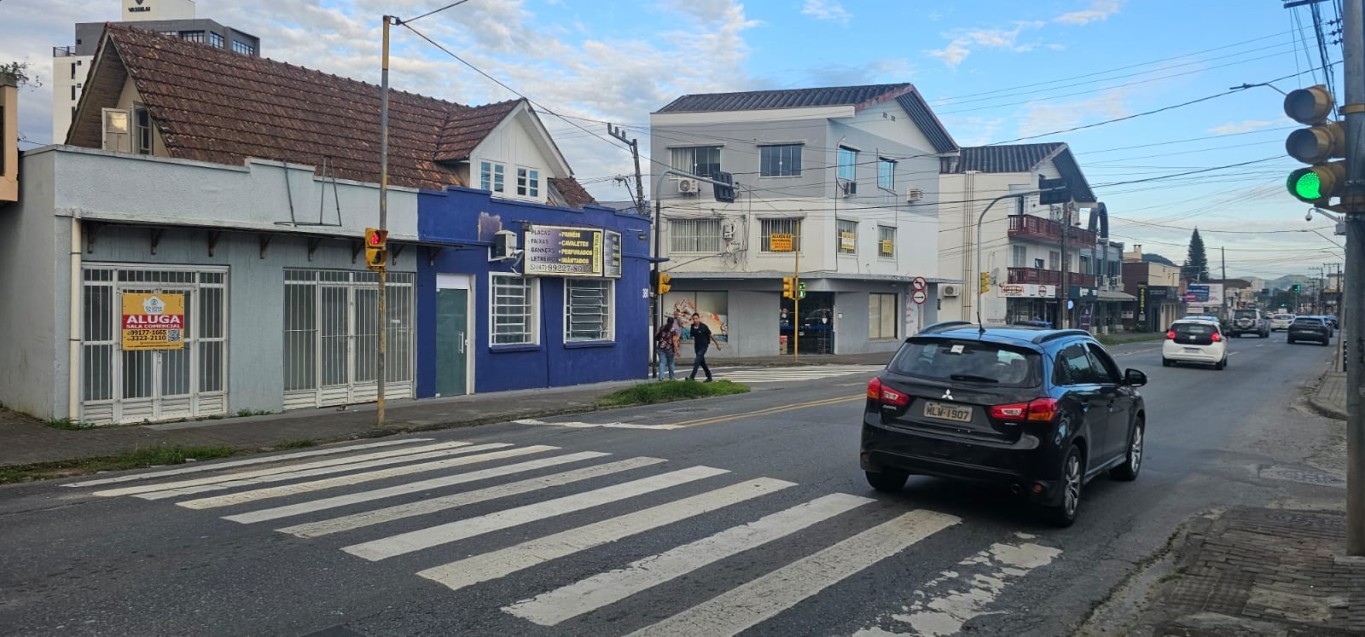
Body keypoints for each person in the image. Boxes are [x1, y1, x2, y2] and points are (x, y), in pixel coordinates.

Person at [687, 312, 721, 382]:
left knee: (697, 361)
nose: (695, 320)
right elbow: (692, 335)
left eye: (696, 318)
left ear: (699, 319)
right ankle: (709, 377)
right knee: (702, 363)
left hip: (704, 346)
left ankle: (692, 377)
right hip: (697, 347)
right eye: (694, 319)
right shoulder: (692, 326)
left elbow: (711, 335)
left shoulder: (704, 326)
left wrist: (717, 345)